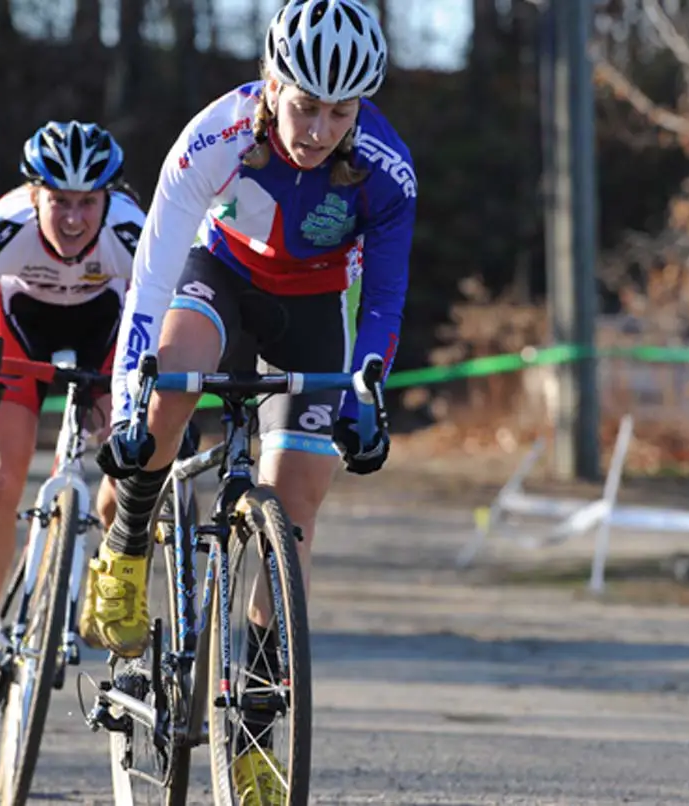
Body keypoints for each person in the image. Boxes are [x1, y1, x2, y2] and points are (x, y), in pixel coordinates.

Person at [85, 0, 415, 800]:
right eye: (306, 105)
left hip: (312, 305)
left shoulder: (384, 165)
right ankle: (127, 552)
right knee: (173, 377)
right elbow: (155, 270)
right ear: (271, 84)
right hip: (219, 277)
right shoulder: (218, 134)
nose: (320, 128)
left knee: (296, 507)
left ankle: (260, 737)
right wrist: (131, 392)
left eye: (342, 110)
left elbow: (383, 298)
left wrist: (366, 393)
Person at [0, 120, 145, 727]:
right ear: (35, 196)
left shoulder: (133, 231)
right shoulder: (1, 230)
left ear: (109, 197)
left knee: (128, 471)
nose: (75, 218)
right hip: (19, 338)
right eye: (59, 201)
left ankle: (108, 574)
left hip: (107, 340)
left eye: (88, 202)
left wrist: (145, 406)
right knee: (1, 484)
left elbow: (155, 324)